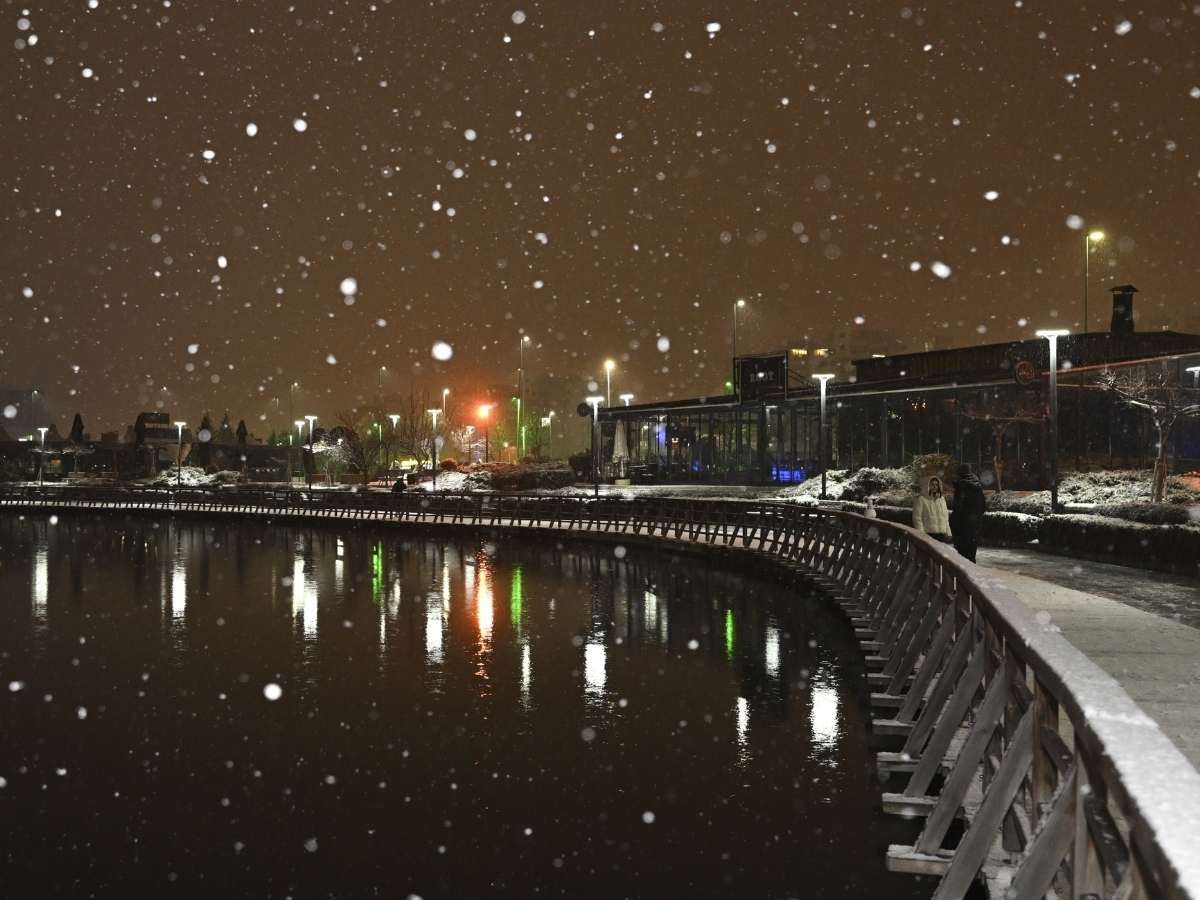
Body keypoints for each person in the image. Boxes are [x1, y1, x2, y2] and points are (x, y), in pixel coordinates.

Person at [950, 463, 986, 563]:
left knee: (962, 556)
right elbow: (983, 506)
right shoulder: (977, 486)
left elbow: (958, 507)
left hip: (963, 526)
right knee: (971, 554)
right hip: (974, 526)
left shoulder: (962, 486)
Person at [912, 475, 951, 542]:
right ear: (928, 485)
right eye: (932, 484)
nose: (935, 487)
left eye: (936, 485)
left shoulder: (942, 499)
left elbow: (945, 517)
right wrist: (921, 534)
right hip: (928, 533)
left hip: (942, 533)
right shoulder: (921, 499)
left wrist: (949, 532)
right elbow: (917, 518)